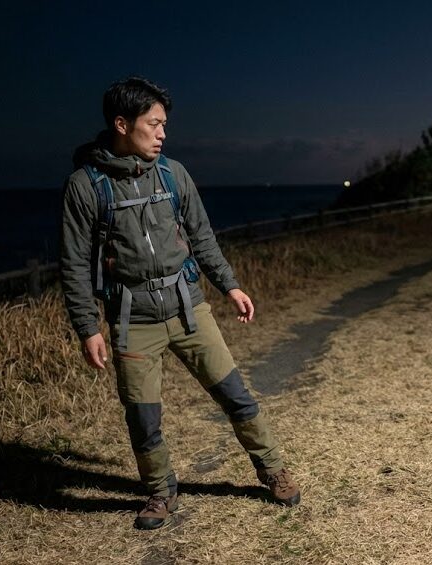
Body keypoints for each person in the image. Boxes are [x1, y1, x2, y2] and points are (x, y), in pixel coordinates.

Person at [60, 76, 300, 530]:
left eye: (164, 124)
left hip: (190, 310)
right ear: (122, 124)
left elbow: (202, 237)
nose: (163, 133)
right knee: (143, 418)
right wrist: (87, 327)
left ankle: (272, 469)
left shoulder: (173, 173)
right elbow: (72, 263)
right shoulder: (85, 187)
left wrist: (229, 285)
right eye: (154, 124)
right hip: (133, 321)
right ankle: (159, 491)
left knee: (236, 396)